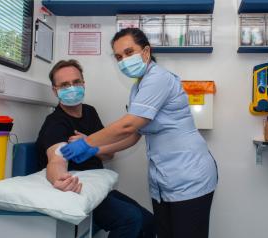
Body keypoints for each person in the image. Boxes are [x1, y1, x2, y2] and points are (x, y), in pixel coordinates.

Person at [60, 28, 218, 238]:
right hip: (164, 180)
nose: (123, 60)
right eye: (118, 57)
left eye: (128, 52)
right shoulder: (138, 88)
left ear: (145, 52)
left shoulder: (158, 78)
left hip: (189, 174)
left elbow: (128, 125)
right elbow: (134, 135)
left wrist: (87, 143)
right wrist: (97, 149)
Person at [36, 59, 155, 238]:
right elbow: (56, 159)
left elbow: (109, 154)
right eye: (64, 85)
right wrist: (59, 180)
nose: (72, 88)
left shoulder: (90, 112)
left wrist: (89, 144)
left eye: (76, 82)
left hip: (97, 186)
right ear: (55, 90)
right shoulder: (55, 123)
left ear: (83, 83)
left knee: (150, 222)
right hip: (78, 190)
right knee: (130, 219)